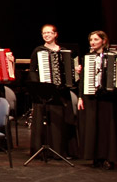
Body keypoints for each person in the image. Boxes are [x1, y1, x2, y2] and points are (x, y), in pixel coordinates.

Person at [76, 30, 117, 169]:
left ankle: (109, 158)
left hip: (109, 98)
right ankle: (96, 157)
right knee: (93, 128)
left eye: (96, 39)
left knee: (108, 128)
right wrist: (80, 97)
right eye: (91, 40)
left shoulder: (115, 56)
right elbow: (83, 80)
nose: (93, 42)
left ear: (103, 40)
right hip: (91, 97)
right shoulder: (87, 57)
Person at [27, 24, 78, 159]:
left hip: (61, 92)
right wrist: (39, 86)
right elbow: (32, 70)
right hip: (45, 92)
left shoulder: (65, 51)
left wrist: (75, 73)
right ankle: (43, 150)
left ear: (55, 34)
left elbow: (71, 73)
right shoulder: (38, 51)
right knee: (44, 121)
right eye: (44, 33)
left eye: (49, 32)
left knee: (60, 122)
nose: (47, 35)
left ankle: (61, 150)